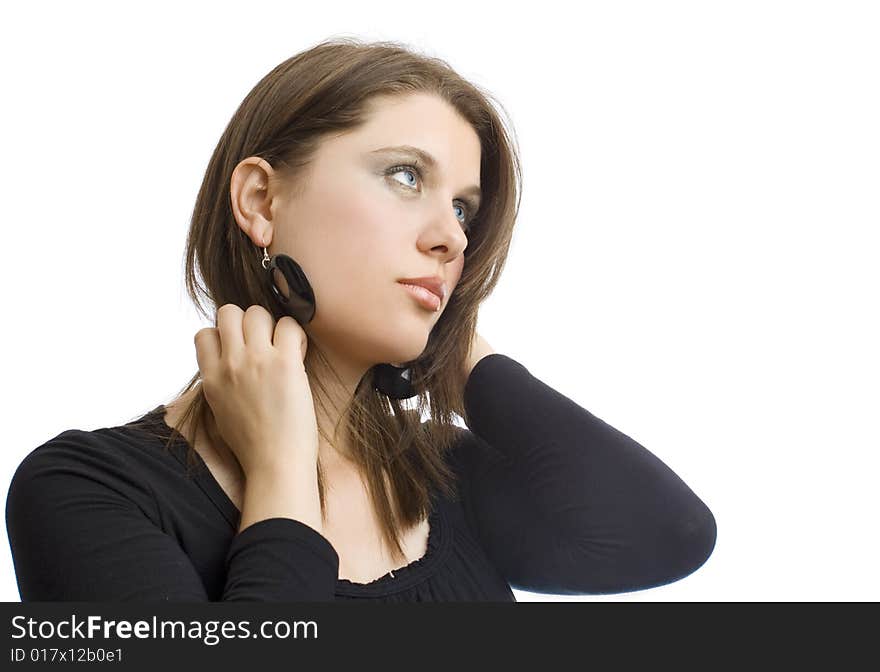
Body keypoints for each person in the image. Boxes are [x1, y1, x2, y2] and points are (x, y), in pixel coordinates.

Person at [5, 38, 716, 601]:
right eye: (406, 176)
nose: (454, 239)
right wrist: (282, 474)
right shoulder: (87, 493)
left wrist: (459, 349)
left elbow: (669, 533)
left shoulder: (440, 479)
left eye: (464, 209)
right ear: (261, 202)